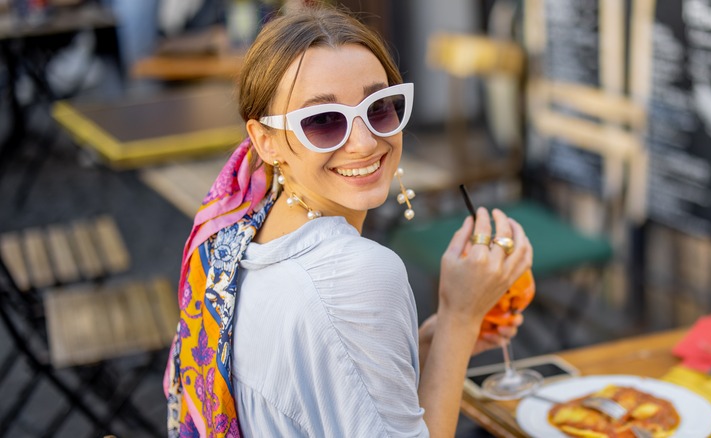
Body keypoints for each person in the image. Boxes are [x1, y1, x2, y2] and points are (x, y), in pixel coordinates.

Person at [164, 5, 533, 437]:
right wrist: (460, 315)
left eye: (379, 108)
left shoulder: (243, 234)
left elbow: (326, 383)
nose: (363, 142)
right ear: (265, 141)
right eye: (321, 121)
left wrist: (428, 343)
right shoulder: (355, 274)